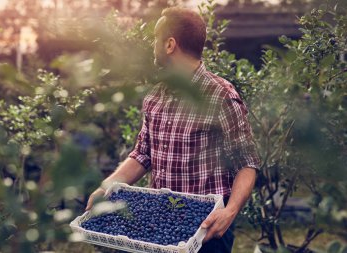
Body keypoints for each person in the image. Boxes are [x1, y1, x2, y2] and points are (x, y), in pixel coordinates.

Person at [85, 7, 260, 253]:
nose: (152, 44)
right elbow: (142, 154)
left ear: (169, 44)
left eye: (156, 38)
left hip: (206, 230)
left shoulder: (221, 96)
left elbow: (247, 163)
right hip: (161, 227)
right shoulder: (156, 96)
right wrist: (107, 186)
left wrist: (230, 212)